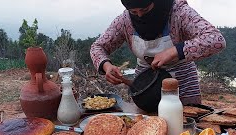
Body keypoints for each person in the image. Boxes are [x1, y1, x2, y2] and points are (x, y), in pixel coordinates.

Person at [90, 0, 226, 105]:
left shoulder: (178, 12)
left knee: (184, 131)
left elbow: (215, 39)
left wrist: (174, 51)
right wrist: (106, 66)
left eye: (145, 9)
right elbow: (98, 47)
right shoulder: (124, 21)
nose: (140, 16)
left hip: (182, 84)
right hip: (144, 88)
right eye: (134, 12)